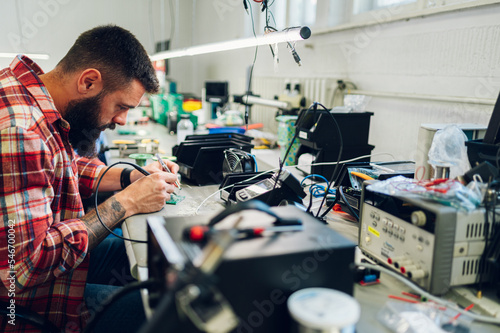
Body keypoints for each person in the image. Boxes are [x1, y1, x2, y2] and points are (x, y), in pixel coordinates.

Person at [0, 25, 179, 332]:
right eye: (121, 106)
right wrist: (127, 203)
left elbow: (63, 168)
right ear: (89, 81)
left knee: (151, 258)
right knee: (171, 310)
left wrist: (131, 176)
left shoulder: (31, 97)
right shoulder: (21, 131)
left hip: (42, 277)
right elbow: (25, 268)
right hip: (27, 305)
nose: (122, 120)